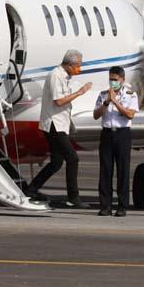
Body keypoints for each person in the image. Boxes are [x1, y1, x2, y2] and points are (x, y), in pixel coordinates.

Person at [25, 49, 93, 208]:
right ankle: (73, 197)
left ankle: (31, 189)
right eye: (78, 66)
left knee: (56, 162)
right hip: (54, 124)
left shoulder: (65, 76)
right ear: (69, 65)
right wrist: (80, 92)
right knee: (72, 158)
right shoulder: (56, 76)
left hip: (60, 123)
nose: (79, 69)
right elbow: (59, 101)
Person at [93, 66, 139, 217]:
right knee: (105, 170)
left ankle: (122, 206)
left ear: (122, 80)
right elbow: (95, 115)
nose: (112, 82)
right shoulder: (103, 94)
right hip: (107, 133)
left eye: (115, 80)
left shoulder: (131, 95)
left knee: (122, 170)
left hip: (122, 134)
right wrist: (107, 103)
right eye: (110, 79)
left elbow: (130, 114)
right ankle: (105, 205)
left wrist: (116, 102)